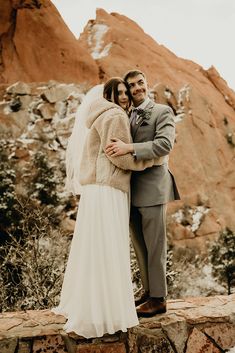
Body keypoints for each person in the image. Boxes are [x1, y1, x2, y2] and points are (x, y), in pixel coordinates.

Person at [52, 77, 163, 338]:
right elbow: (120, 157)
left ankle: (91, 305)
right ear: (109, 94)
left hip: (95, 189)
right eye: (120, 92)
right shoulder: (114, 116)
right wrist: (151, 162)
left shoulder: (98, 113)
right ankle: (106, 311)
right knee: (108, 246)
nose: (125, 96)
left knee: (95, 246)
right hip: (109, 188)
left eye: (127, 92)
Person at [106, 70, 180, 318]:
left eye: (141, 83)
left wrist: (129, 147)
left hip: (153, 188)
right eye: (132, 85)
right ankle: (148, 292)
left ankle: (159, 299)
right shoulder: (126, 115)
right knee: (140, 246)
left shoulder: (162, 112)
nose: (137, 88)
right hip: (130, 189)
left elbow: (164, 145)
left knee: (155, 245)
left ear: (146, 84)